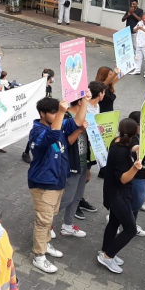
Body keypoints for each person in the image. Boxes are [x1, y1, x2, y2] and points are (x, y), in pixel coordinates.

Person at [27, 95, 87, 273]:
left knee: (50, 217)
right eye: (52, 113)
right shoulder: (37, 131)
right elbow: (52, 135)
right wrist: (61, 111)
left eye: (57, 112)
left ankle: (45, 244)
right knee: (44, 221)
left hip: (58, 180)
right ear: (42, 113)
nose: (56, 116)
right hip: (43, 183)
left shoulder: (59, 124)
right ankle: (39, 255)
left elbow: (77, 121)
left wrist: (84, 101)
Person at [98, 118, 143, 274]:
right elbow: (124, 178)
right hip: (119, 194)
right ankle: (107, 256)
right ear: (133, 132)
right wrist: (136, 168)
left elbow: (131, 147)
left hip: (112, 191)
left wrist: (140, 148)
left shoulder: (116, 141)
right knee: (130, 229)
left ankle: (106, 250)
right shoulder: (122, 153)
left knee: (114, 222)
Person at [58, 96, 91, 236]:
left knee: (77, 196)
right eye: (86, 100)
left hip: (83, 161)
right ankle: (45, 222)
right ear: (79, 101)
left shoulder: (87, 116)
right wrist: (79, 130)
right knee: (68, 197)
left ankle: (68, 225)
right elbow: (66, 143)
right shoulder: (65, 117)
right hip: (72, 162)